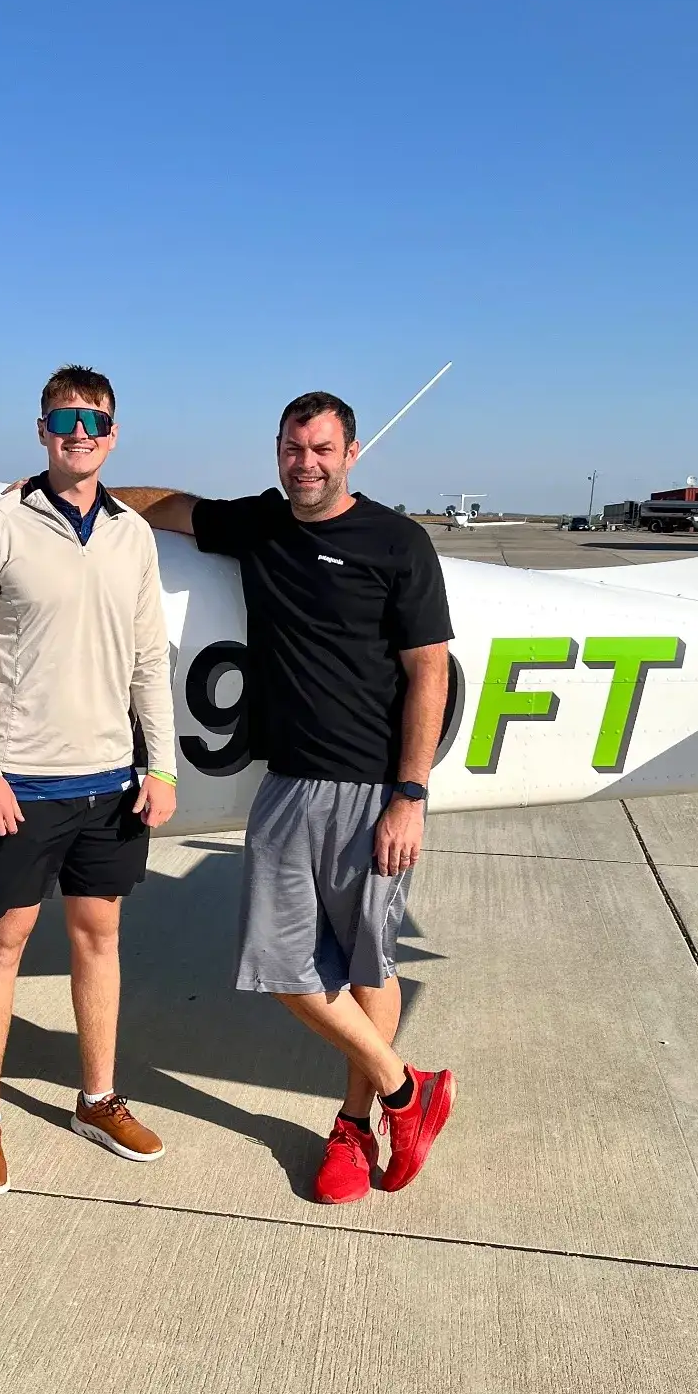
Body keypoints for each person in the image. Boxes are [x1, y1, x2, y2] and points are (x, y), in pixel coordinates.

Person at [114, 391, 454, 1205]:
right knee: (283, 968)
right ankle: (409, 1091)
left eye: (323, 449)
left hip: (372, 791)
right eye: (294, 449)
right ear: (278, 452)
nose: (307, 463)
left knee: (367, 963)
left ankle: (352, 1123)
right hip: (286, 783)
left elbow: (428, 671)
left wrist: (408, 795)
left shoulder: (398, 543)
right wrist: (71, 489)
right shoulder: (262, 524)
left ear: (352, 454)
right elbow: (171, 508)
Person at [0, 365, 178, 1197]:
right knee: (0, 945)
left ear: (114, 435)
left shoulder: (131, 536)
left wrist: (161, 763)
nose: (80, 432)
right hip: (23, 785)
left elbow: (152, 659)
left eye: (95, 420)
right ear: (42, 429)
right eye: (64, 418)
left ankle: (97, 1097)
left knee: (99, 939)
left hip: (110, 783)